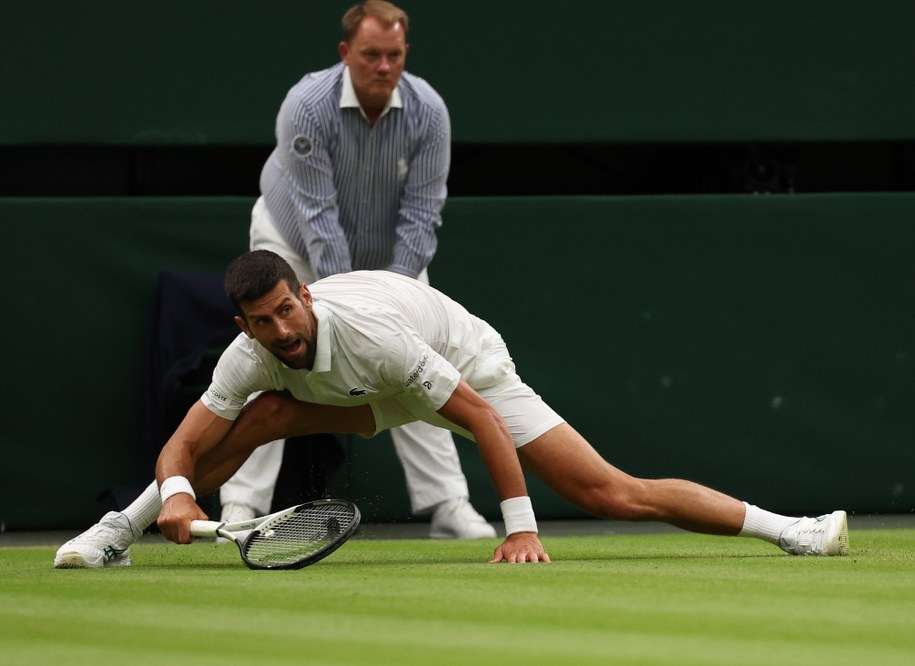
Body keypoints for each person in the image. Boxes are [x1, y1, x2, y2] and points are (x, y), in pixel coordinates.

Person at [55, 251, 849, 568]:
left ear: (302, 295)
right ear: (245, 326)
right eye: (263, 323)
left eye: (287, 312)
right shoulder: (251, 356)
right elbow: (184, 444)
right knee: (249, 419)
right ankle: (115, 534)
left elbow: (477, 417)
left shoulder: (371, 334)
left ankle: (795, 530)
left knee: (607, 491)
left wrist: (521, 528)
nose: (281, 331)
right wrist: (182, 494)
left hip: (463, 367)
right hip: (366, 391)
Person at [221, 0, 495, 538]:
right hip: (292, 241)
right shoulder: (306, 105)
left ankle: (448, 504)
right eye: (371, 55)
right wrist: (344, 305)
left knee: (420, 354)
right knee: (267, 358)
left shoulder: (429, 112)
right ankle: (240, 506)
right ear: (346, 53)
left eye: (394, 55)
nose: (384, 66)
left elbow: (421, 214)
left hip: (386, 258)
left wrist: (386, 299)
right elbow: (317, 216)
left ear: (405, 53)